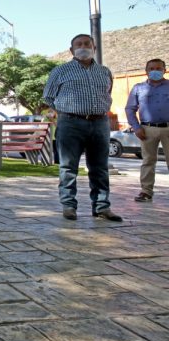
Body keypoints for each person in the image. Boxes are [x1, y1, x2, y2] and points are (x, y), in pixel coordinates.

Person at [43, 34, 122, 222]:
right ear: (72, 50)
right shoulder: (60, 71)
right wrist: (65, 111)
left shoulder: (104, 71)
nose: (83, 46)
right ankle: (69, 205)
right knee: (68, 167)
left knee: (100, 168)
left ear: (94, 47)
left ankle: (102, 207)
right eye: (79, 44)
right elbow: (48, 97)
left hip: (100, 123)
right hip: (70, 123)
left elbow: (108, 93)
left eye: (87, 43)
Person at [125, 58, 169, 202]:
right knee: (148, 161)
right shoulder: (138, 88)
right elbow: (130, 109)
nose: (155, 71)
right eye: (151, 68)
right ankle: (146, 192)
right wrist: (136, 127)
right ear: (146, 71)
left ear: (164, 70)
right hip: (147, 129)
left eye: (159, 68)